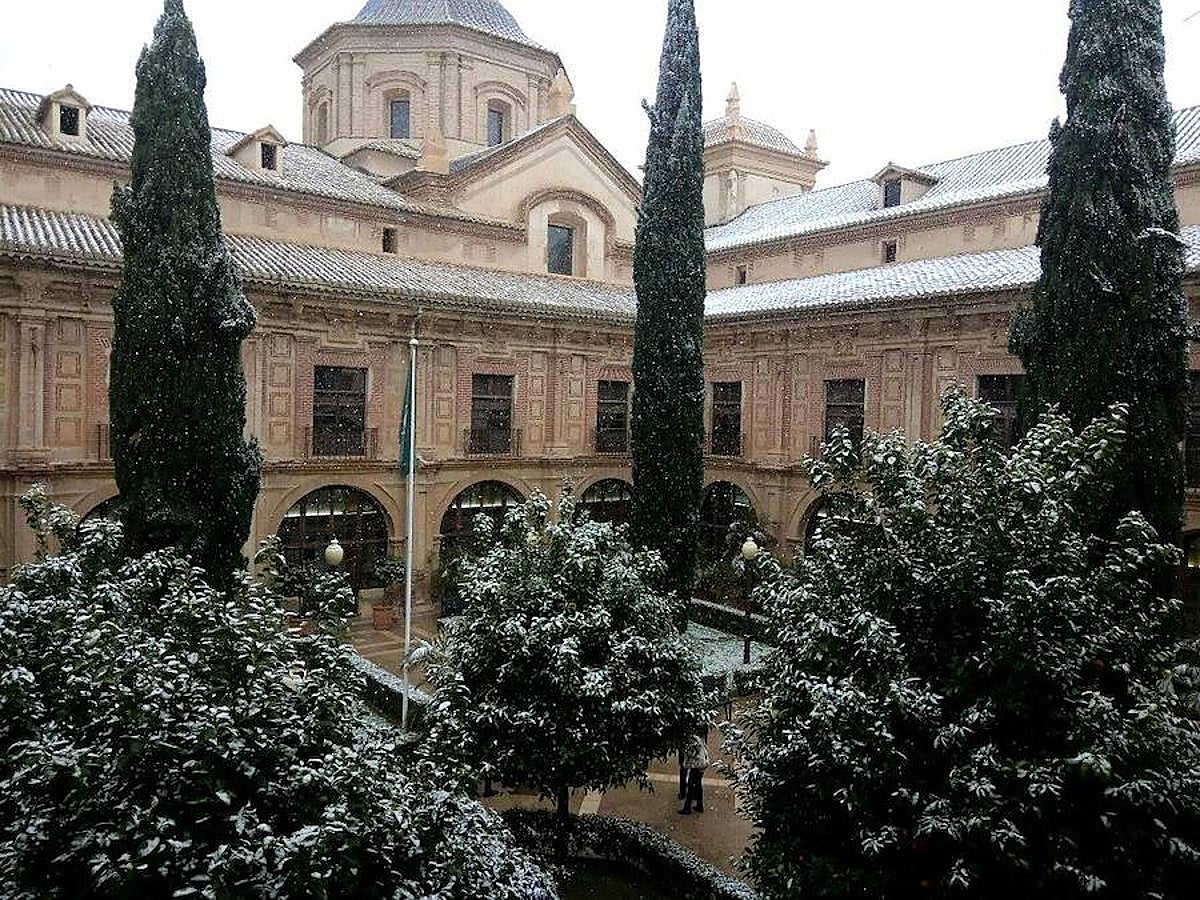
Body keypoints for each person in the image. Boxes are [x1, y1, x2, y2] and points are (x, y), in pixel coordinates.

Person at [679, 733, 710, 815]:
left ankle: (687, 808)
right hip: (702, 764)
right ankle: (699, 805)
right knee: (698, 785)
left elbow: (691, 754)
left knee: (691, 785)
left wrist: (685, 763)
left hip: (697, 765)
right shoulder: (697, 739)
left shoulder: (690, 743)